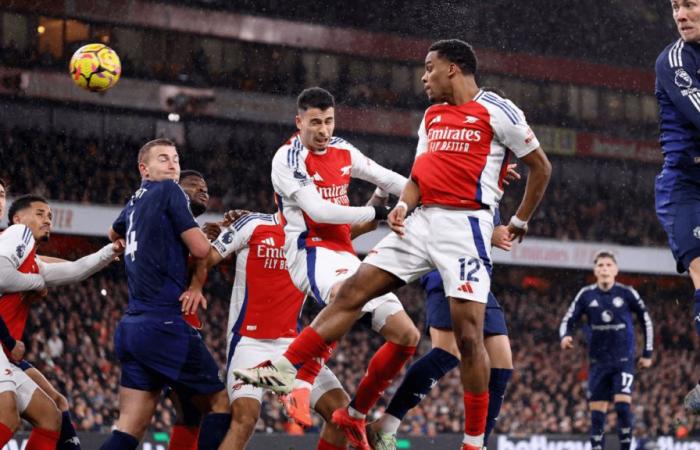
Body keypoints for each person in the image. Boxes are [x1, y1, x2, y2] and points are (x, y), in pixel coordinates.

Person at [235, 39, 551, 450]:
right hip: (421, 223)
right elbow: (418, 178)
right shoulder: (432, 116)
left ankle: (473, 443)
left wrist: (520, 220)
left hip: (466, 229)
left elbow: (541, 166)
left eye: (429, 67)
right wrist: (402, 205)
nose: (423, 77)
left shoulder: (498, 110)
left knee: (469, 338)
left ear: (452, 69)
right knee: (353, 291)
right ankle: (285, 370)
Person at [181, 208, 350, 450]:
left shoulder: (315, 236)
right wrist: (196, 286)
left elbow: (360, 225)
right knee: (245, 419)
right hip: (249, 344)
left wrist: (380, 202)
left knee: (341, 413)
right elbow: (207, 257)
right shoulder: (253, 224)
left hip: (292, 348)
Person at [102, 138, 229, 450]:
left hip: (132, 327)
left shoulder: (134, 201)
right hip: (164, 325)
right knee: (221, 404)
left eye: (175, 158)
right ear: (144, 168)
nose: (173, 164)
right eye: (163, 159)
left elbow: (113, 233)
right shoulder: (170, 191)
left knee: (131, 428)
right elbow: (201, 249)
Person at [368, 215, 514, 450]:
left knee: (502, 362)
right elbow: (441, 213)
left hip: (477, 274)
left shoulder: (492, 187)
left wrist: (518, 221)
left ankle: (479, 444)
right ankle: (386, 424)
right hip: (445, 264)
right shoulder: (461, 180)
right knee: (447, 352)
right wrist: (490, 234)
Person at [0, 194, 125, 449]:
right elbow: (1, 275)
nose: (47, 219)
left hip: (6, 353)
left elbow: (75, 270)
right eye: (40, 213)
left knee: (50, 416)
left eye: (50, 216)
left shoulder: (32, 263)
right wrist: (37, 283)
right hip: (3, 345)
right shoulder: (18, 232)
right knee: (8, 417)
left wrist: (108, 251)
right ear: (18, 218)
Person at [654, 0, 700, 413]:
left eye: (691, 4)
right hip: (687, 187)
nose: (680, 14)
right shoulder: (674, 61)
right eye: (675, 6)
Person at [559, 251, 653, 450]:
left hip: (623, 360)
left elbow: (646, 321)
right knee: (596, 415)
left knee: (622, 406)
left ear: (616, 270)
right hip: (598, 362)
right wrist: (565, 335)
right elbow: (569, 318)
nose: (604, 269)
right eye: (600, 265)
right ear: (595, 270)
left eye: (608, 265)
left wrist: (647, 353)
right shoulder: (586, 294)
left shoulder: (627, 293)